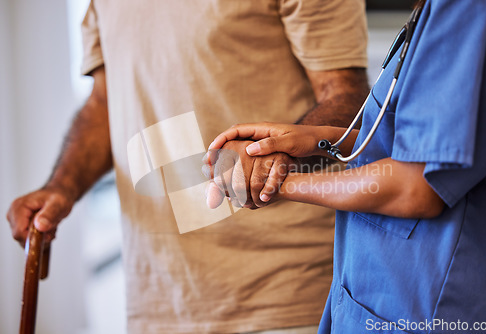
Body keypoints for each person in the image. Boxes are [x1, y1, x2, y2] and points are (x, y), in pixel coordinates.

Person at [6, 0, 370, 333]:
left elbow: (345, 95)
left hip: (284, 294)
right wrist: (60, 187)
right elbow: (104, 104)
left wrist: (276, 153)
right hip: (157, 297)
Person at [207, 0, 486, 333]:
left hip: (427, 307)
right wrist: (320, 138)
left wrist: (275, 181)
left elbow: (416, 186)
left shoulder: (471, 9)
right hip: (376, 297)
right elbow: (408, 144)